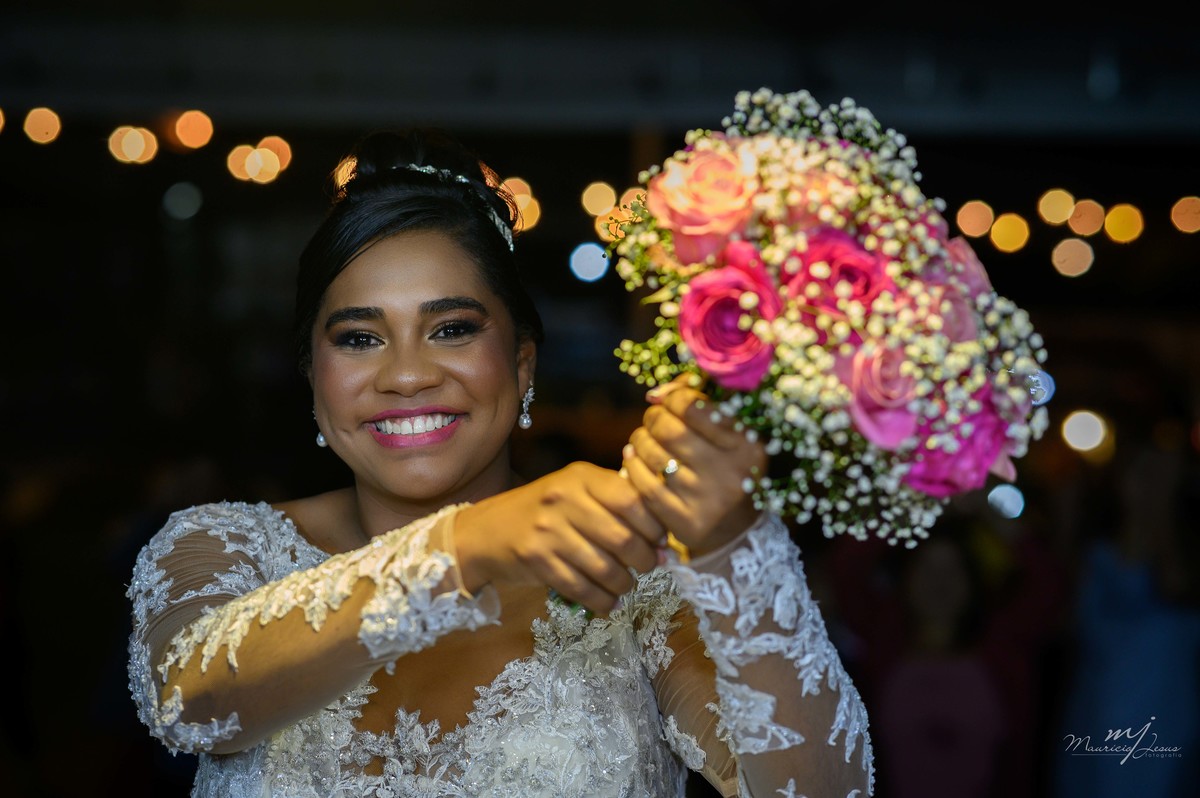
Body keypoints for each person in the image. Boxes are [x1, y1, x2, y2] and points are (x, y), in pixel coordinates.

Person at [125, 127, 874, 798]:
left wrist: (734, 544)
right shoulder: (223, 550)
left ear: (521, 365)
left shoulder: (636, 581)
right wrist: (464, 548)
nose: (406, 375)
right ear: (312, 378)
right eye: (359, 338)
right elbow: (192, 704)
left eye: (452, 329)